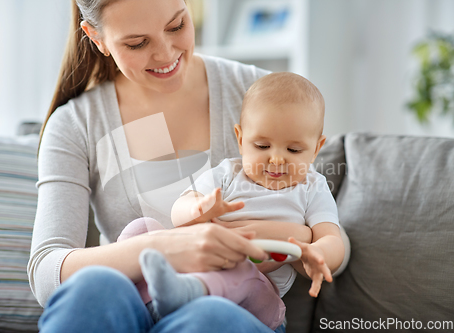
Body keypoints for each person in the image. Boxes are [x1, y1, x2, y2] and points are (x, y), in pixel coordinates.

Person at [28, 0, 350, 332]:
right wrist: (164, 247)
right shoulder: (76, 124)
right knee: (92, 290)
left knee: (207, 317)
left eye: (177, 26)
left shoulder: (263, 95)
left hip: (233, 310)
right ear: (96, 38)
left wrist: (289, 237)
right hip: (139, 302)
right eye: (138, 43)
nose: (166, 54)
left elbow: (332, 230)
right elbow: (47, 272)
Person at [117, 72, 345, 330]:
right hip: (196, 264)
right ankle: (140, 298)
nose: (277, 159)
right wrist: (200, 208)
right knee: (141, 229)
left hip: (256, 294)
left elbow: (332, 239)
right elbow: (178, 212)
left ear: (316, 148)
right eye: (262, 146)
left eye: (293, 150)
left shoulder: (312, 188)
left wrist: (319, 252)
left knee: (241, 271)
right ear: (240, 139)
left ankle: (179, 297)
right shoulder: (227, 174)